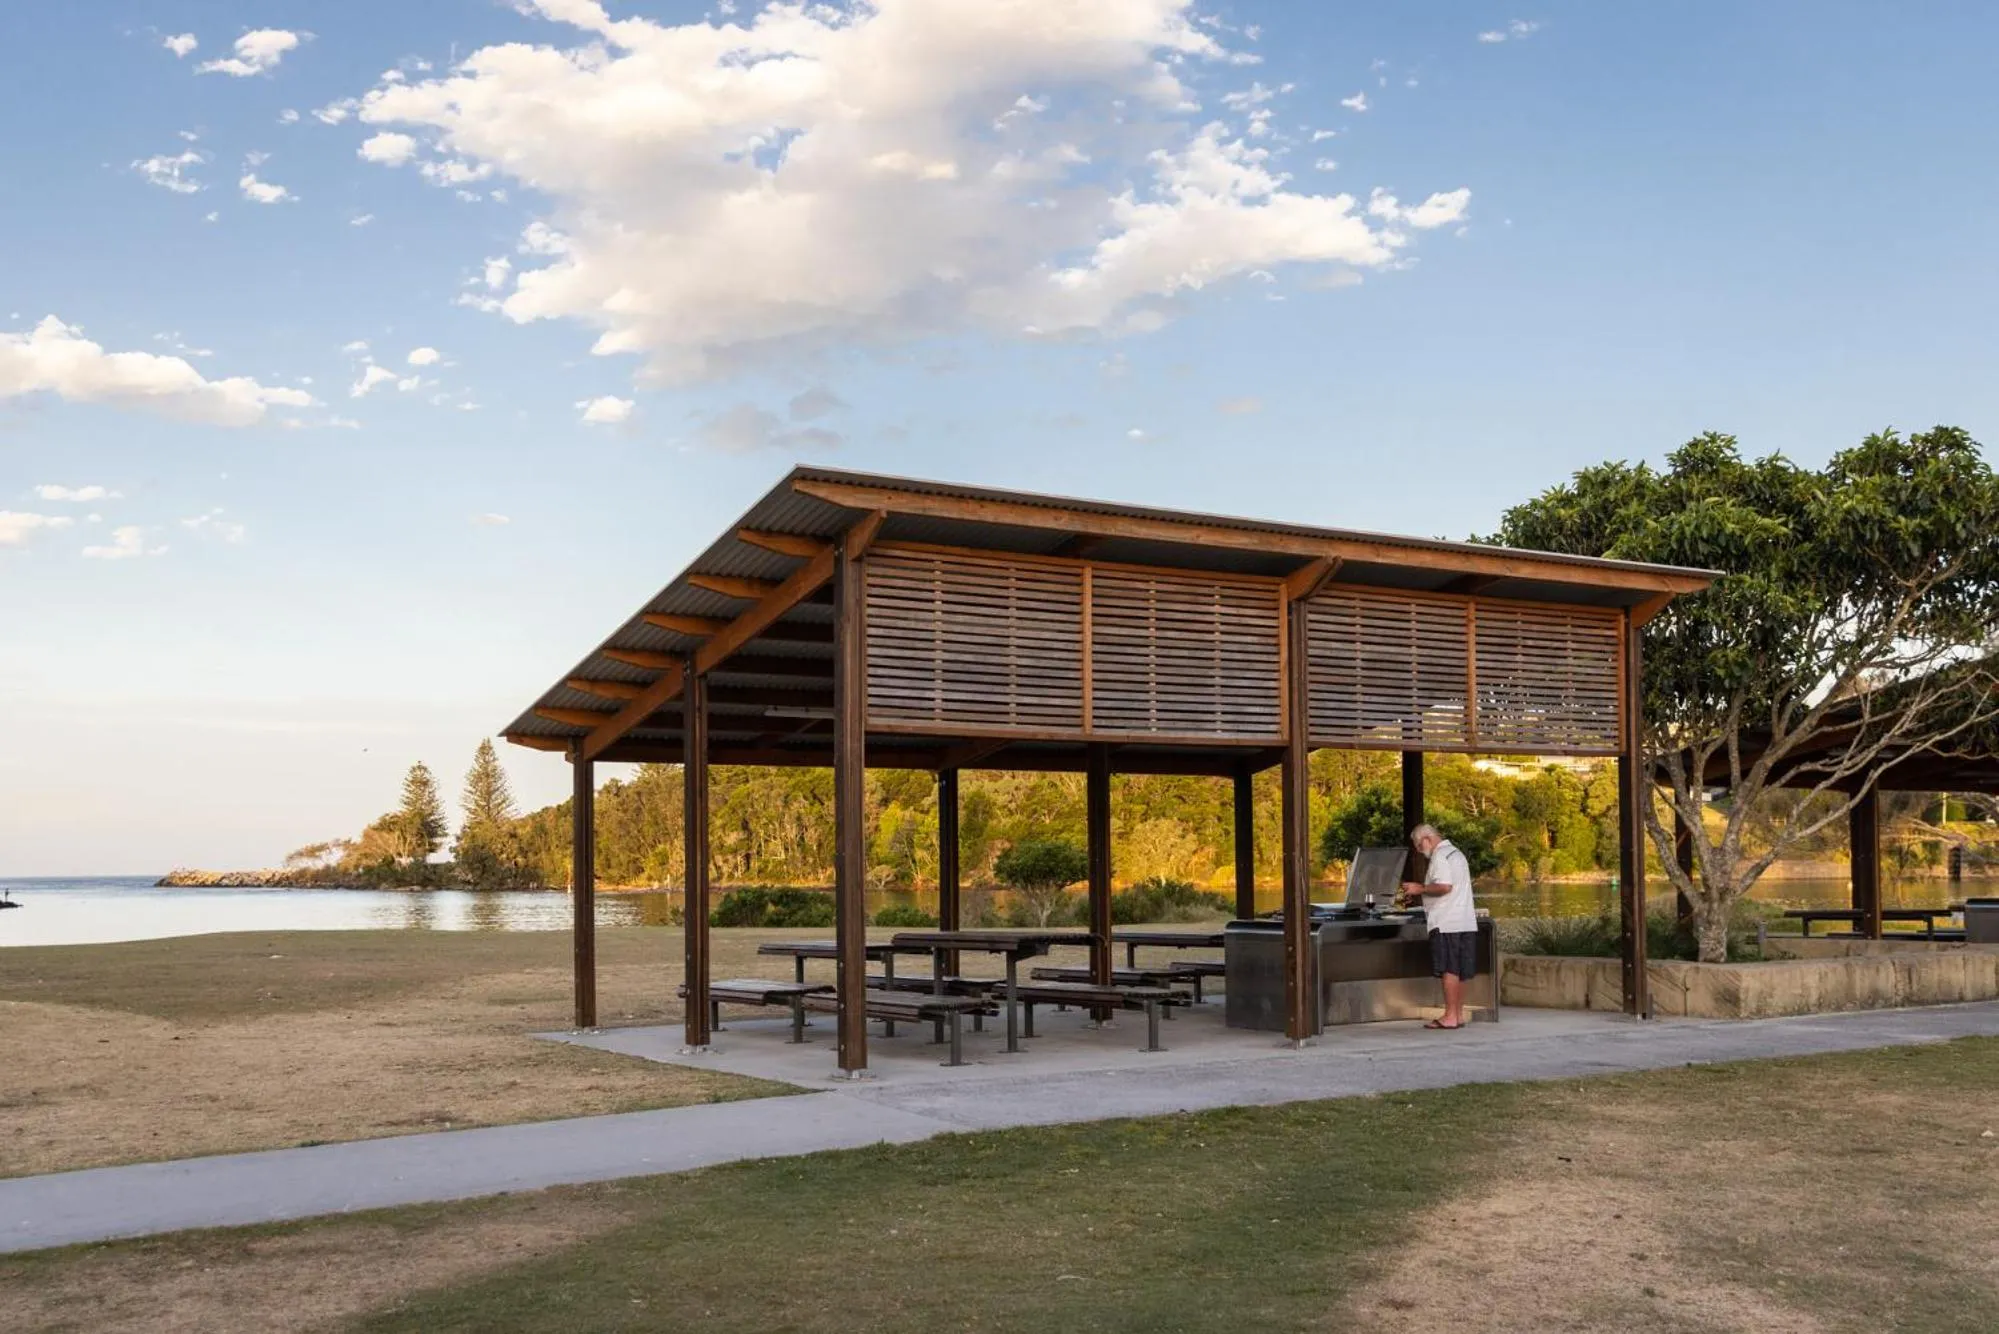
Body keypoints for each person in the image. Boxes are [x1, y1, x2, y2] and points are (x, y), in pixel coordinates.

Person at [1399, 823, 1478, 1030]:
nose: (1418, 850)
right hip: (1465, 920)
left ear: (1426, 839)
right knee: (1460, 969)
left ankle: (1450, 1016)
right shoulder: (1457, 853)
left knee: (1449, 969)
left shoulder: (1440, 856)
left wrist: (1419, 888)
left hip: (1446, 922)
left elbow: (1444, 886)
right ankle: (1458, 1014)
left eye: (1418, 845)